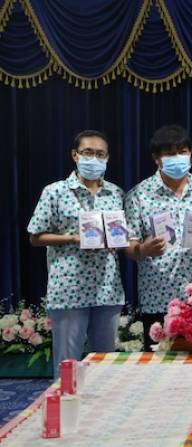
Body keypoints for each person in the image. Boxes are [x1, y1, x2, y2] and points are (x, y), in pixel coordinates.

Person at [125, 125, 192, 349]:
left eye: (182, 152)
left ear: (190, 153)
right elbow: (128, 245)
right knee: (160, 362)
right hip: (157, 296)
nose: (177, 158)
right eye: (170, 154)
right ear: (157, 158)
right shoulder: (138, 195)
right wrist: (143, 250)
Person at [28, 130, 125, 375]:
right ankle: (64, 400)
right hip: (69, 289)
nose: (94, 159)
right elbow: (36, 236)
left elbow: (124, 233)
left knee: (105, 364)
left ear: (107, 158)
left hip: (107, 288)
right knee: (67, 365)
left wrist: (118, 240)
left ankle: (102, 401)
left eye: (100, 154)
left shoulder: (116, 193)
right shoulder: (55, 191)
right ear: (75, 155)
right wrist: (73, 238)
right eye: (88, 153)